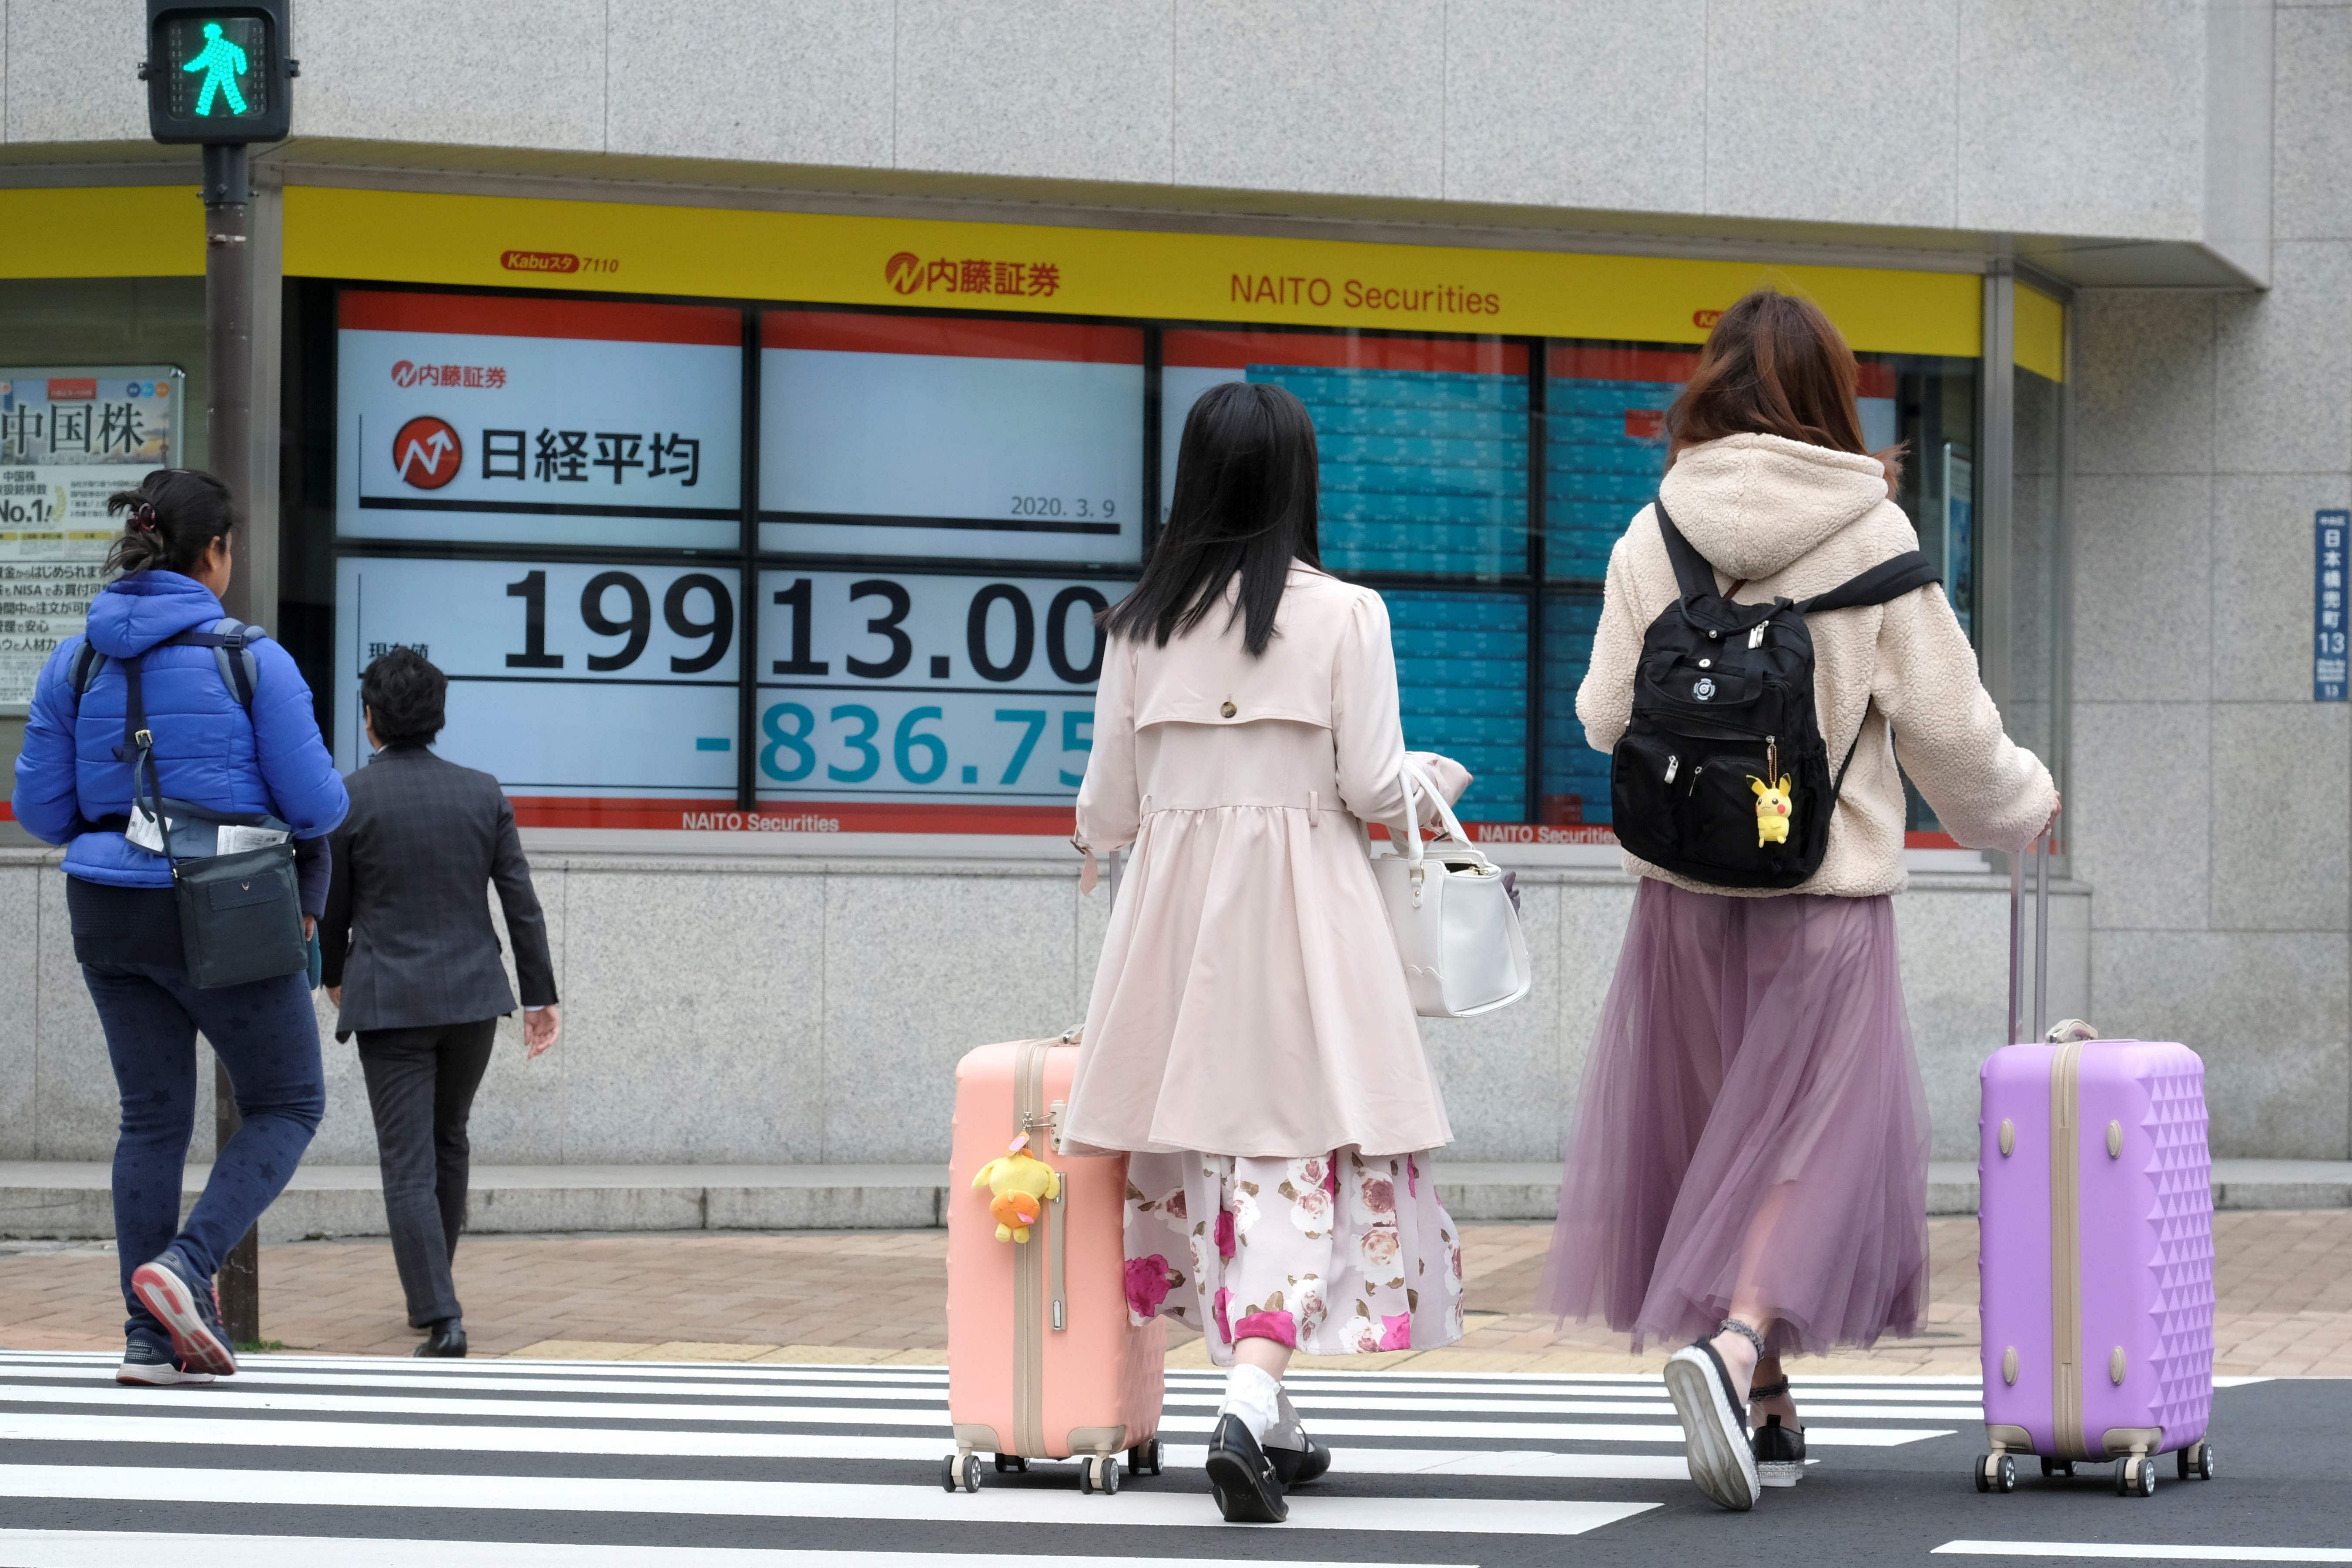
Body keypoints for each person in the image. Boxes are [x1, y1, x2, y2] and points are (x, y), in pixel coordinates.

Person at [1538, 290, 2058, 1511]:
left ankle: (1764, 1397)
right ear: (1835, 396)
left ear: (1707, 388)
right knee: (1805, 1143)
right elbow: (1951, 740)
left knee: (1720, 1128)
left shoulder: (1649, 533)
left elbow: (1603, 718)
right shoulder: (1871, 544)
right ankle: (1731, 1351)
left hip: (1679, 902)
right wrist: (2025, 807)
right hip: (1818, 902)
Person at [1059, 380, 1474, 1524]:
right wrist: (1434, 780)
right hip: (1303, 923)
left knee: (1208, 1159)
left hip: (1176, 928)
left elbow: (1108, 805)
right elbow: (1365, 787)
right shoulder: (1345, 616)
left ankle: (1269, 1412)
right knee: (1293, 1154)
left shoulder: (1137, 627)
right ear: (1298, 483)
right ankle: (1248, 1398)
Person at [10, 469, 348, 1385]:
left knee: (151, 1118)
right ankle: (187, 1267)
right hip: (222, 901)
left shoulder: (74, 659)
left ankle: (145, 1340)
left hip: (105, 908)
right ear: (214, 553)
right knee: (289, 1099)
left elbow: (39, 811)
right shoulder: (252, 658)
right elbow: (319, 805)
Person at [318, 647, 560, 1358]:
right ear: (438, 716)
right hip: (472, 1000)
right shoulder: (482, 793)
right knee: (448, 1138)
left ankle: (440, 1312)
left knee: (407, 1160)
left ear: (371, 719)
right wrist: (540, 995)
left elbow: (333, 907)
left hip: (390, 1001)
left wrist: (333, 973)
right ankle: (436, 1288)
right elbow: (522, 905)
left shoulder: (350, 797)